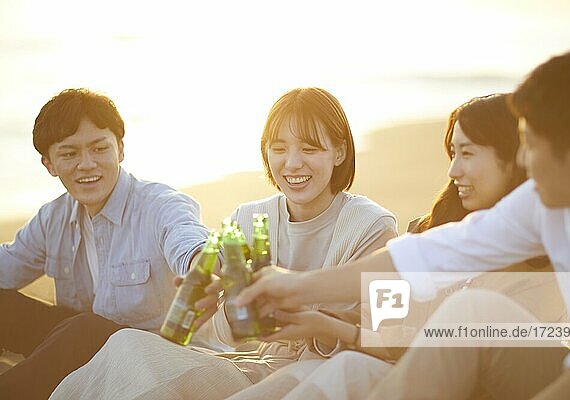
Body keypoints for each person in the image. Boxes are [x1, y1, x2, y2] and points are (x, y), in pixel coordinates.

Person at [237, 47, 570, 398]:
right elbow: (425, 262)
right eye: (452, 151)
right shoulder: (534, 210)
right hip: (430, 366)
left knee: (467, 313)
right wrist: (297, 290)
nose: (452, 170)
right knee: (353, 368)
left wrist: (333, 323)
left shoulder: (536, 262)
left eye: (531, 146)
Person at [49, 87, 398, 400]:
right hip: (249, 364)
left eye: (310, 148)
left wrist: (315, 324)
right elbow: (211, 334)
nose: (292, 164)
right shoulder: (248, 218)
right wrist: (221, 309)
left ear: (339, 151)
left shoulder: (371, 225)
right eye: (278, 149)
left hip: (327, 372)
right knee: (127, 345)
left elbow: (391, 341)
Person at [0, 88, 210, 399]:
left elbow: (190, 241)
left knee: (86, 329)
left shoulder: (161, 205)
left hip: (158, 361)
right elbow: (7, 267)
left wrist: (202, 267)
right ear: (49, 164)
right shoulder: (53, 218)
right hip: (84, 353)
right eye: (69, 154)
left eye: (99, 148)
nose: (86, 164)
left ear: (120, 149)